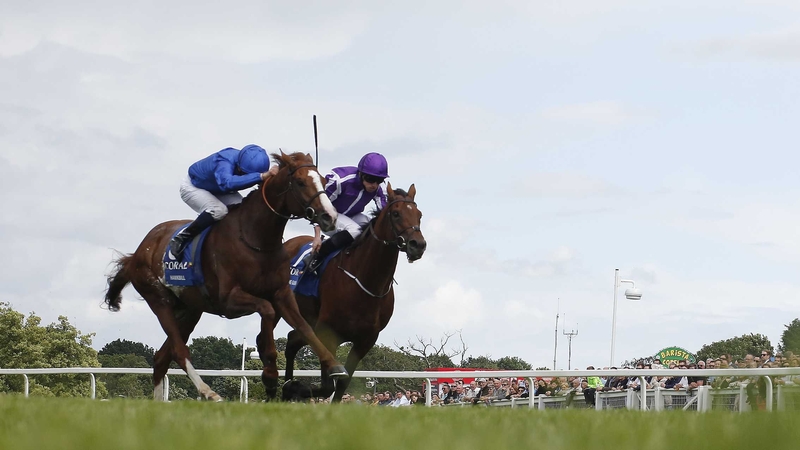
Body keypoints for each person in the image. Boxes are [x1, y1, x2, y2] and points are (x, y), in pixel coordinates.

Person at [169, 144, 278, 257]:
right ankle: (182, 238)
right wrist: (260, 176)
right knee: (219, 210)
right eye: (244, 174)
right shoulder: (225, 160)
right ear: (239, 166)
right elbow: (226, 183)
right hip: (194, 187)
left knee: (245, 210)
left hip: (218, 189)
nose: (245, 176)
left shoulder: (247, 162)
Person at [303, 152, 389, 272]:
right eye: (370, 179)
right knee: (355, 231)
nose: (374, 185)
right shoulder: (340, 180)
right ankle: (317, 256)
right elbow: (319, 207)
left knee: (371, 229)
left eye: (379, 180)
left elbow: (384, 213)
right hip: (328, 218)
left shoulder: (380, 187)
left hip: (351, 216)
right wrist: (317, 236)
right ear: (361, 174)